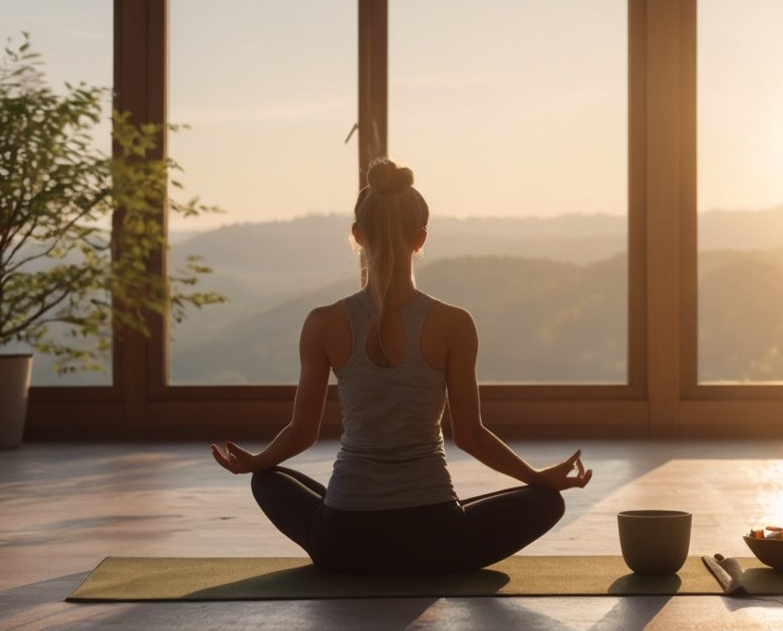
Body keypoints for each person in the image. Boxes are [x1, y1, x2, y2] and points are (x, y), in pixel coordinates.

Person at [211, 158, 593, 575]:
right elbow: (470, 436)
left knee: (266, 479)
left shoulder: (322, 323)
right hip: (436, 539)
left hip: (342, 542)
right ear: (420, 239)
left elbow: (302, 433)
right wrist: (538, 477)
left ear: (357, 236)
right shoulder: (454, 323)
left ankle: (350, 534)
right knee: (545, 501)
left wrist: (256, 460)